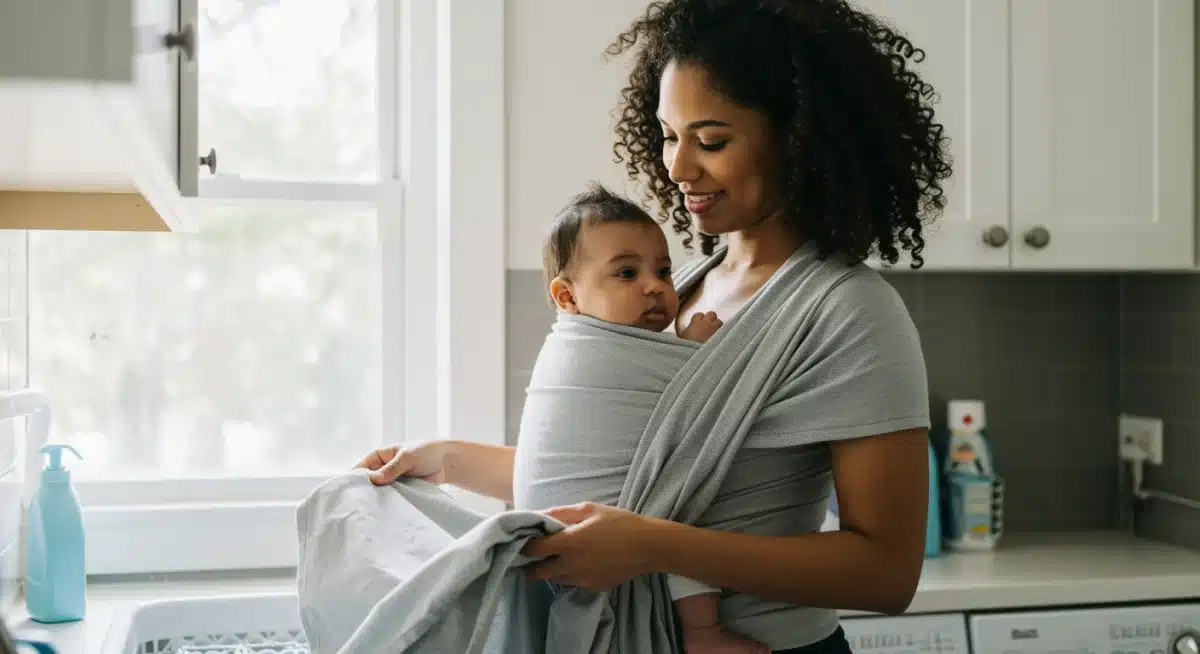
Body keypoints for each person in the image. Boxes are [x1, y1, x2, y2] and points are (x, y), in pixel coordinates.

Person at [356, 0, 951, 651]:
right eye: (669, 135)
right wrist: (446, 460)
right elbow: (627, 476)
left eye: (712, 141)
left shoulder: (848, 311)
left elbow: (887, 574)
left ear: (799, 139)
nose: (677, 167)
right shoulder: (678, 284)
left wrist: (649, 548)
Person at [538, 182, 767, 653]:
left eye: (663, 271)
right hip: (586, 518)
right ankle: (703, 633)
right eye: (626, 273)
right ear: (567, 298)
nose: (655, 286)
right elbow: (698, 390)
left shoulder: (625, 344)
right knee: (684, 521)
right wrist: (699, 351)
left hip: (565, 533)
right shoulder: (587, 351)